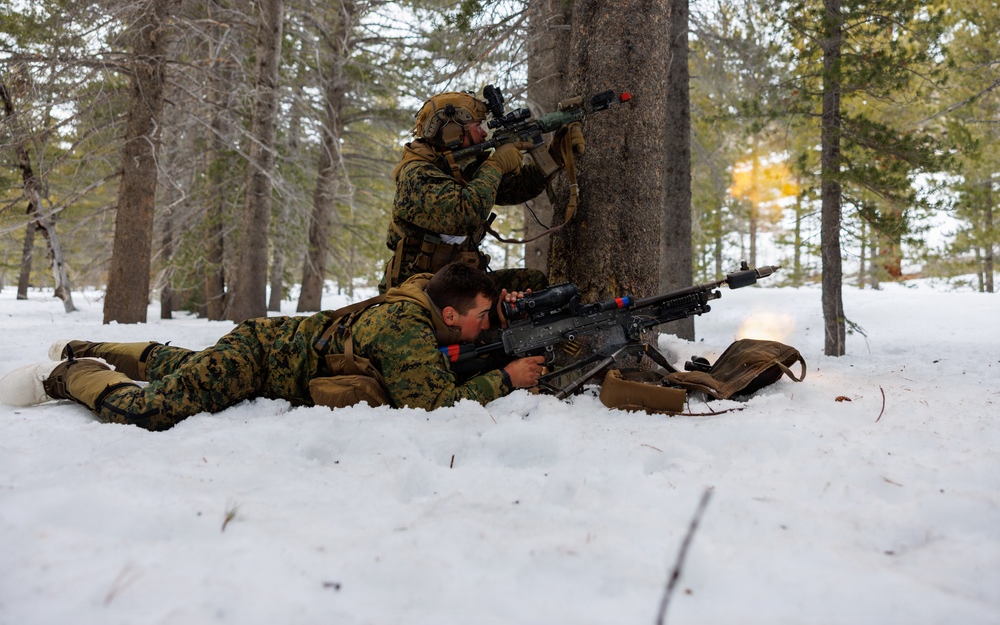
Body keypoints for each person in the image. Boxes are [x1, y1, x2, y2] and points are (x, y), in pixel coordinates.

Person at [0, 263, 546, 432]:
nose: (483, 326)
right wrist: (506, 378)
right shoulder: (406, 330)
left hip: (270, 347)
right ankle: (67, 374)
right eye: (481, 318)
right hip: (258, 360)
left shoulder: (430, 291)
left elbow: (478, 284)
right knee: (154, 409)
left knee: (180, 363)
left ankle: (83, 344)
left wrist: (505, 304)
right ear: (449, 315)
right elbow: (431, 405)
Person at [380, 90, 585, 293]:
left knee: (533, 283)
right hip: (419, 291)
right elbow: (465, 215)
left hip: (456, 283)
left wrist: (556, 152)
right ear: (452, 131)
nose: (484, 133)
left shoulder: (458, 167)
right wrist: (496, 165)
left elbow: (515, 189)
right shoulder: (416, 174)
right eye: (477, 126)